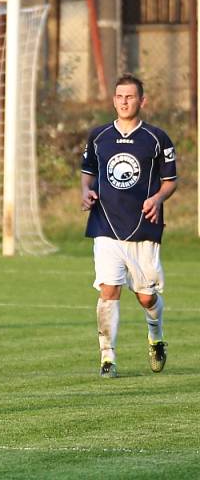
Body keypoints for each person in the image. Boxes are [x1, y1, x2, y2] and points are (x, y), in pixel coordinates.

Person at [81, 73, 177, 379]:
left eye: (130, 96)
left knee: (147, 297)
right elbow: (88, 173)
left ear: (142, 101)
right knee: (109, 290)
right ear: (113, 100)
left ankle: (155, 335)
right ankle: (107, 357)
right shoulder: (98, 137)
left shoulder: (157, 138)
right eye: (120, 96)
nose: (124, 102)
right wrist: (86, 191)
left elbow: (170, 182)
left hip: (142, 228)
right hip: (105, 224)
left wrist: (158, 199)